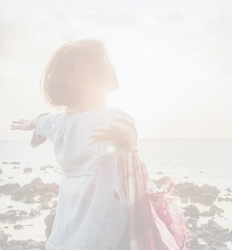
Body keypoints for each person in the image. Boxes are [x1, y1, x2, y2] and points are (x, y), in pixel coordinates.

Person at [10, 39, 140, 250]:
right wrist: (121, 136)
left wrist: (30, 123)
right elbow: (126, 131)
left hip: (68, 229)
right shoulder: (109, 118)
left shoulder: (59, 123)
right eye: (107, 61)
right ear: (90, 78)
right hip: (104, 230)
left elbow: (42, 121)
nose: (114, 66)